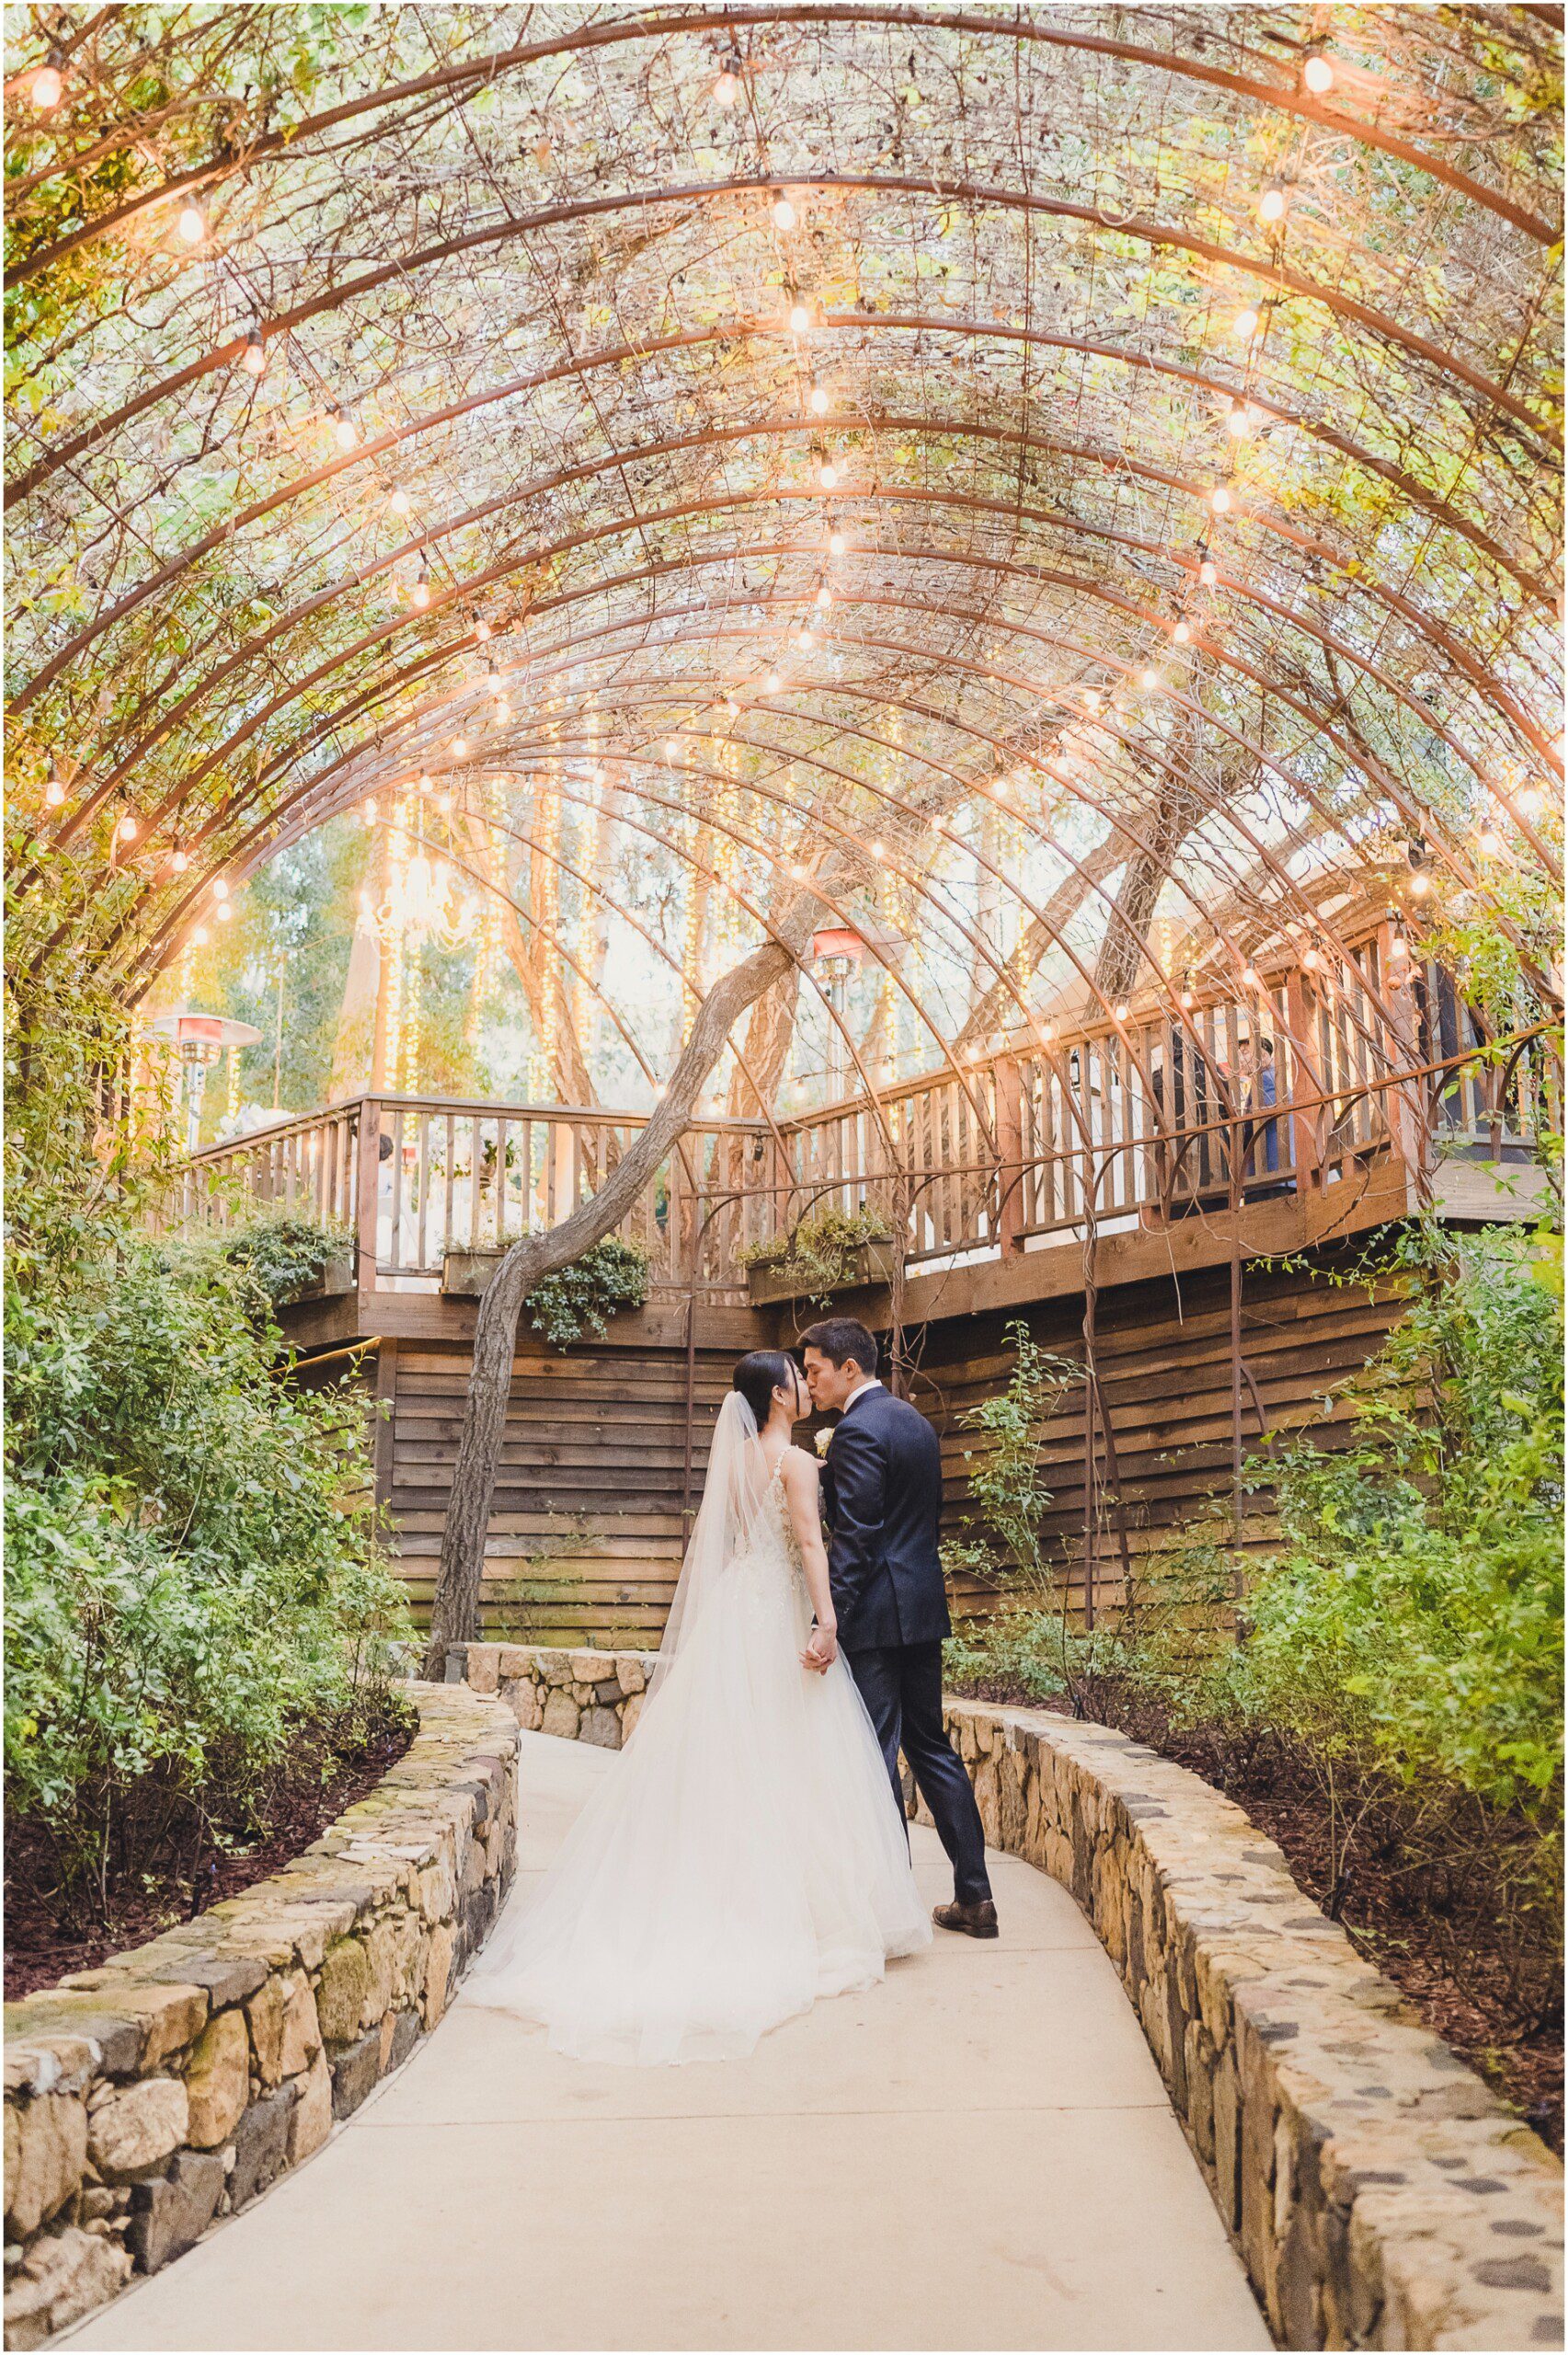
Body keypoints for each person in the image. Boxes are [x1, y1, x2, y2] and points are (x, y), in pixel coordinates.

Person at [467, 1350, 930, 2063]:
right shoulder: (797, 1463)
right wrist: (827, 1620)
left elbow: (739, 1539)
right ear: (778, 1394)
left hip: (733, 1615)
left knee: (725, 1755)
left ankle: (710, 1894)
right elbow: (809, 1542)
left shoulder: (737, 1459)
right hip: (774, 1613)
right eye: (796, 1377)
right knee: (793, 1754)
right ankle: (797, 1914)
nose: (806, 1385)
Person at [801, 1318, 998, 1938]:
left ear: (849, 1369)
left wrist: (826, 1618)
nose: (809, 1383)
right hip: (920, 1605)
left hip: (875, 1617)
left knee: (876, 1754)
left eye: (815, 1371)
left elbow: (856, 1539)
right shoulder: (913, 1423)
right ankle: (975, 1897)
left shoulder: (857, 1431)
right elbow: (916, 1519)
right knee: (932, 1748)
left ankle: (888, 1910)